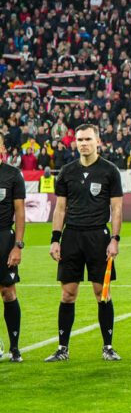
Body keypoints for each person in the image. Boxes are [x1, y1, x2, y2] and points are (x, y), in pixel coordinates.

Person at [45, 124, 123, 363]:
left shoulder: (109, 171)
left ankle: (108, 347)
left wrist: (115, 238)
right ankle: (62, 348)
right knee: (68, 294)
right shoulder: (67, 172)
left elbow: (117, 207)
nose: (83, 143)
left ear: (97, 141)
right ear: (75, 142)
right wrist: (55, 240)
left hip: (98, 237)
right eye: (79, 140)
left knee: (103, 293)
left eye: (88, 139)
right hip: (72, 237)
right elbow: (60, 208)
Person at [0, 154, 25, 362]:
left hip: (3, 237)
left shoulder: (13, 174)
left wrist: (18, 245)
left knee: (8, 291)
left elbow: (19, 211)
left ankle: (14, 348)